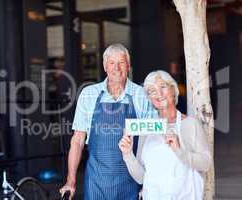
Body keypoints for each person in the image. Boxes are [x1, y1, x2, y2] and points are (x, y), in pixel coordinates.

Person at [59, 44, 156, 200]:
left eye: (122, 62)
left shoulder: (142, 95)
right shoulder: (89, 94)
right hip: (97, 182)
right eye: (112, 63)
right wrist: (71, 180)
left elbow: (153, 140)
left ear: (129, 66)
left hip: (132, 182)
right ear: (105, 66)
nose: (116, 68)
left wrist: (148, 184)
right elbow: (77, 141)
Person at [119, 70, 212, 200]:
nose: (159, 94)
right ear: (150, 99)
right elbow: (141, 178)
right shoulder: (146, 129)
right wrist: (128, 155)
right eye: (152, 91)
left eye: (163, 87)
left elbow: (206, 163)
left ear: (173, 90)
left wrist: (180, 151)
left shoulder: (190, 124)